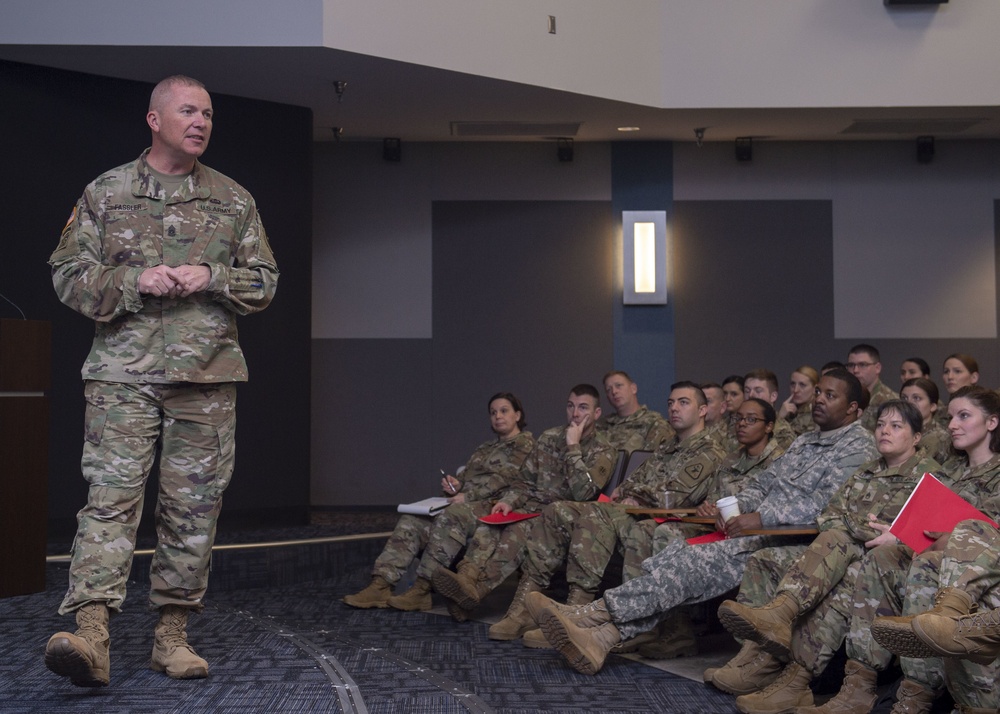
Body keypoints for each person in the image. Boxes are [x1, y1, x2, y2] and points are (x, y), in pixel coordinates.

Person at [43, 75, 279, 687]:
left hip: (206, 379)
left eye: (207, 113)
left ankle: (171, 636)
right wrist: (133, 283)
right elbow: (68, 276)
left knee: (192, 511)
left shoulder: (234, 200)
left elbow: (266, 281)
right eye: (187, 111)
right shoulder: (107, 191)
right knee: (111, 502)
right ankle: (91, 633)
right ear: (154, 119)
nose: (200, 121)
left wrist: (212, 274)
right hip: (123, 376)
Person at [527, 369, 877, 676]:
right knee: (676, 557)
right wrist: (736, 510)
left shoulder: (857, 446)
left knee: (692, 565)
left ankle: (591, 616)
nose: (819, 400)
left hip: (799, 541)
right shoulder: (805, 441)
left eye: (830, 396)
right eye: (819, 392)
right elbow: (763, 485)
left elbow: (822, 506)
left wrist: (758, 518)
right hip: (760, 531)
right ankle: (601, 637)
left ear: (852, 409)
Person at [713, 400, 940, 712]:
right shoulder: (866, 470)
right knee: (768, 557)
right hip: (845, 551)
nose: (885, 431)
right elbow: (829, 516)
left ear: (916, 437)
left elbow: (922, 537)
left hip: (886, 563)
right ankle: (760, 653)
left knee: (843, 569)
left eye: (896, 425)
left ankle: (797, 676)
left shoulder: (930, 480)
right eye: (881, 424)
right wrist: (862, 531)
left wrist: (859, 531)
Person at [796, 386, 1000, 714]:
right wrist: (899, 535)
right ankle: (859, 687)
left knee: (926, 564)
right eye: (951, 418)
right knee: (880, 557)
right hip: (933, 560)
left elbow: (984, 534)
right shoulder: (949, 475)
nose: (952, 425)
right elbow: (926, 527)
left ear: (991, 422)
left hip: (977, 573)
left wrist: (929, 538)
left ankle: (918, 695)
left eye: (964, 416)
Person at [511, 382, 724, 647]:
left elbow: (673, 496)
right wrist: (634, 492)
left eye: (683, 402)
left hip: (665, 521)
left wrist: (636, 493)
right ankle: (526, 604)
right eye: (670, 403)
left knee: (595, 514)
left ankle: (578, 611)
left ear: (703, 410)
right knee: (558, 510)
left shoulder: (709, 451)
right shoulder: (668, 447)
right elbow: (631, 482)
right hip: (636, 512)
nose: (674, 409)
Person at [431, 384, 615, 627]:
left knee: (516, 534)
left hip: (559, 515)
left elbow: (584, 493)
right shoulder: (550, 437)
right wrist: (509, 501)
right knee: (492, 521)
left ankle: (473, 593)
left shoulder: (604, 449)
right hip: (530, 505)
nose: (575, 413)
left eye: (583, 408)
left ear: (597, 413)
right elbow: (524, 481)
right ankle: (467, 579)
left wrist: (573, 447)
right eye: (571, 406)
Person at [620, 397, 785, 661]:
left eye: (751, 419)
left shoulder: (781, 462)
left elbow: (778, 507)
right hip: (717, 530)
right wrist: (707, 509)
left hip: (754, 536)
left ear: (769, 426)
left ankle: (677, 631)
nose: (742, 424)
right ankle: (657, 625)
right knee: (649, 530)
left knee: (666, 534)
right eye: (738, 418)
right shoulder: (730, 460)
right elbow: (710, 500)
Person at [342, 393, 534, 612]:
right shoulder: (485, 449)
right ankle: (381, 584)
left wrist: (466, 496)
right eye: (493, 412)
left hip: (494, 505)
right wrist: (455, 484)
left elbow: (506, 479)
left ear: (517, 415)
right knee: (412, 520)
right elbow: (466, 479)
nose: (498, 416)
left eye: (504, 410)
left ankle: (423, 589)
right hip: (463, 503)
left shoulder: (526, 445)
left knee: (453, 515)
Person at [596, 370, 673, 454]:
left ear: (633, 388)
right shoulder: (601, 426)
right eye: (608, 390)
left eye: (618, 386)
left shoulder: (654, 423)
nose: (614, 392)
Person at [847, 343, 898, 431]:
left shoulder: (890, 401)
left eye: (862, 365)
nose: (855, 370)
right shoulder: (845, 397)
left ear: (877, 368)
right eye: (851, 365)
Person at [901, 377, 952, 464]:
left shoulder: (941, 438)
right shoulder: (896, 432)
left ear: (932, 406)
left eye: (916, 398)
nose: (908, 403)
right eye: (904, 398)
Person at [744, 369, 797, 449]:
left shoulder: (783, 433)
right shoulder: (739, 425)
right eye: (747, 391)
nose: (751, 395)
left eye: (758, 391)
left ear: (773, 396)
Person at [939, 353, 981, 429]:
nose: (950, 377)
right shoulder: (940, 412)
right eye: (946, 372)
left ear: (974, 377)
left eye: (957, 371)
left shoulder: (986, 407)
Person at [777, 366, 819, 436]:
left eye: (802, 385)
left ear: (815, 389)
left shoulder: (817, 414)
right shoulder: (788, 412)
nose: (796, 390)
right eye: (793, 384)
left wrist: (779, 420)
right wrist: (780, 417)